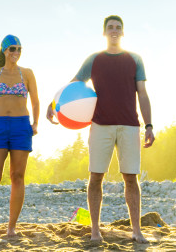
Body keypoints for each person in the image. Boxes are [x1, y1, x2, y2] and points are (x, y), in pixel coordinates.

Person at [47, 15, 154, 243]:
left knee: (131, 178)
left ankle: (136, 231)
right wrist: (53, 104)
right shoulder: (94, 60)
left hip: (129, 126)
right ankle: (95, 231)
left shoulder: (135, 59)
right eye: (110, 27)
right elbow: (74, 84)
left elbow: (142, 94)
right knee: (96, 177)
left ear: (123, 33)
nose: (114, 31)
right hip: (100, 125)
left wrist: (149, 125)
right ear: (104, 33)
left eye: (118, 28)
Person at [0, 34, 41, 238]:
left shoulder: (28, 73)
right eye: (12, 49)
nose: (16, 53)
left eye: (19, 49)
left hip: (21, 126)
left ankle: (11, 227)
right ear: (4, 50)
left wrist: (35, 124)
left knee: (17, 176)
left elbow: (36, 101)